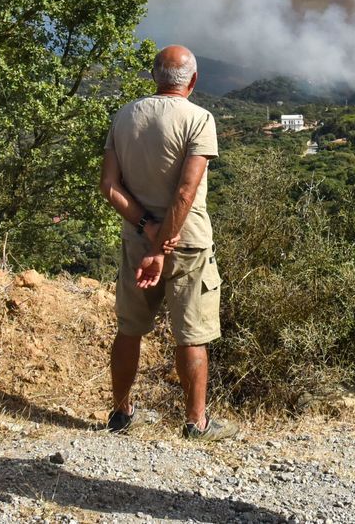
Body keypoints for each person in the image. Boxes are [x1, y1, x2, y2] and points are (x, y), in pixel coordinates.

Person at [99, 44, 238, 441]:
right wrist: (162, 247)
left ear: (153, 77)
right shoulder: (199, 119)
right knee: (191, 333)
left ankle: (121, 414)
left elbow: (109, 186)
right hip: (188, 243)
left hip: (137, 241)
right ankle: (196, 423)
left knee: (129, 328)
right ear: (193, 81)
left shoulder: (125, 116)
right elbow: (185, 192)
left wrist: (147, 229)